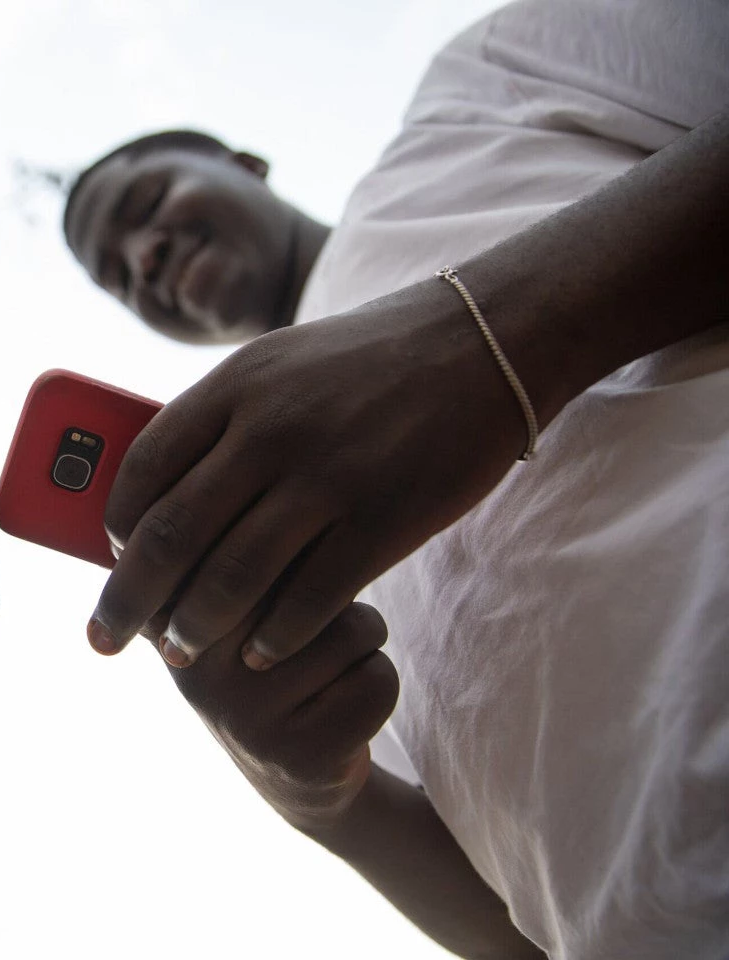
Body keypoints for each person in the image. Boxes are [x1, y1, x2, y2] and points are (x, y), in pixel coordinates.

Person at [63, 2, 727, 958]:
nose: (143, 257)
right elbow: (520, 938)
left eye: (144, 205)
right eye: (120, 278)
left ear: (238, 162)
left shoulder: (486, 82)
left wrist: (488, 342)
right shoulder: (268, 559)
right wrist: (328, 801)